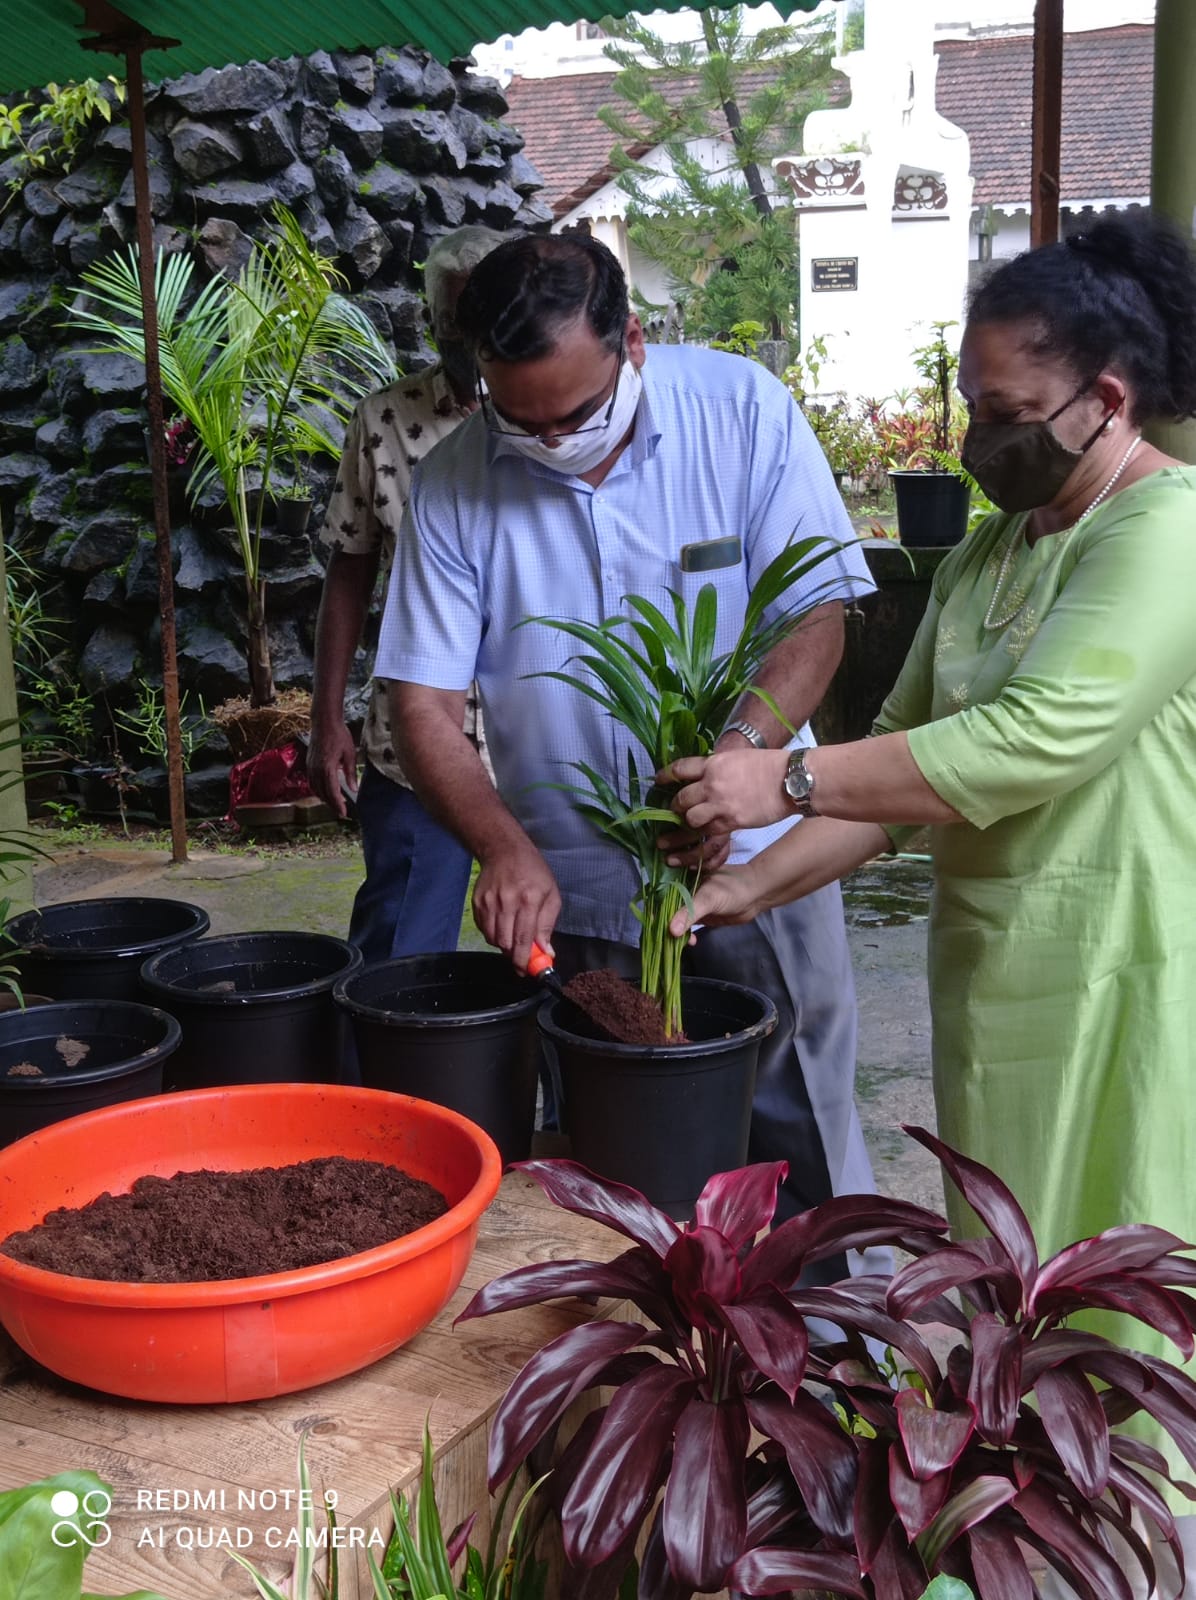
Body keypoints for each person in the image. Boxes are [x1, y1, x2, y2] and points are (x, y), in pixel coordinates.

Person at [662, 212, 1196, 1592]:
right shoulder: (987, 554)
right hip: (997, 977)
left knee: (1119, 1255)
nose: (975, 437)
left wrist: (776, 769)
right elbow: (895, 775)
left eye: (1006, 413)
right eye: (969, 402)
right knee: (1005, 1256)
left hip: (1133, 968)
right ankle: (1023, 1513)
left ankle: (1131, 1536)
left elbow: (1027, 740)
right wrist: (743, 884)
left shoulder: (1165, 534)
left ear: (1106, 400)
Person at [375, 231, 885, 1259]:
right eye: (519, 420)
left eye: (575, 413)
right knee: (625, 1165)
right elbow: (420, 700)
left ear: (633, 342)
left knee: (800, 1135)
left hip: (756, 861)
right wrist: (500, 847)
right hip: (576, 885)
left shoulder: (740, 413)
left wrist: (740, 763)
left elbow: (815, 613)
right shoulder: (455, 482)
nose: (550, 440)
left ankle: (840, 1339)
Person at [308, 225, 506, 963]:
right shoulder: (383, 420)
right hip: (415, 747)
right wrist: (326, 718)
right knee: (398, 960)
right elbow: (350, 570)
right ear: (430, 321)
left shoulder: (555, 416)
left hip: (544, 741)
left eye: (489, 322)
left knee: (572, 959)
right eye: (456, 323)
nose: (473, 343)